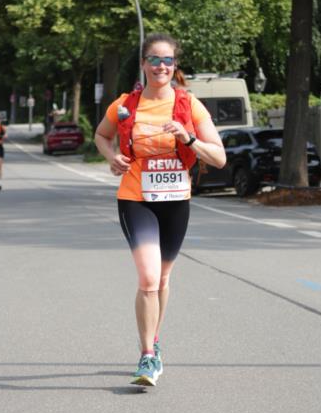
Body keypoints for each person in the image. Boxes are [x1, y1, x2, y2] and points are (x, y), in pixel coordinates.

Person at [94, 33, 226, 388]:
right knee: (149, 279)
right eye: (154, 59)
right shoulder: (125, 104)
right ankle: (147, 355)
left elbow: (219, 157)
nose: (161, 66)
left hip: (175, 200)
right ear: (143, 64)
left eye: (167, 60)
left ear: (174, 65)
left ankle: (154, 339)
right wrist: (112, 157)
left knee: (163, 279)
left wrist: (188, 138)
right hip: (135, 197)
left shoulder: (189, 105)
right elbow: (101, 135)